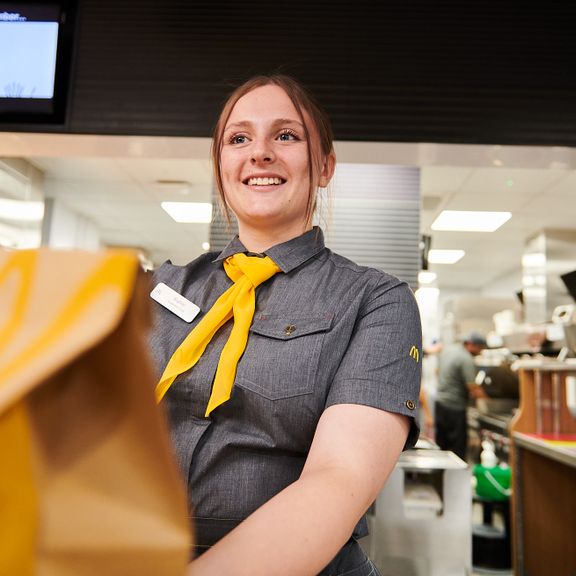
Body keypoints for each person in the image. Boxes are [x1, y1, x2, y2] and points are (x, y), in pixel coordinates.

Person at [148, 74, 422, 576]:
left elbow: (338, 479)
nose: (260, 153)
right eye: (239, 138)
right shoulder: (160, 288)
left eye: (286, 135)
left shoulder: (377, 301)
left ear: (324, 167)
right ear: (221, 167)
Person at [434, 331, 487, 461]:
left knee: (442, 446)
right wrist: (487, 402)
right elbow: (472, 387)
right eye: (479, 348)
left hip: (440, 403)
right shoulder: (466, 358)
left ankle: (441, 478)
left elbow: (437, 371)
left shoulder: (448, 350)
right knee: (457, 450)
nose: (480, 352)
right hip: (454, 407)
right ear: (471, 345)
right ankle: (456, 479)